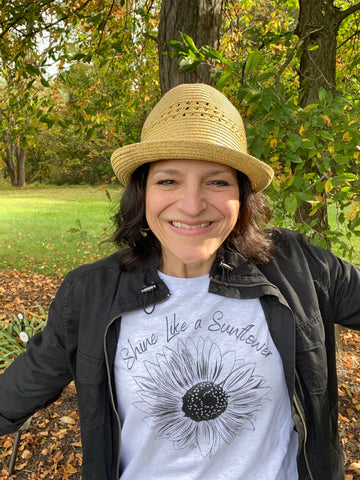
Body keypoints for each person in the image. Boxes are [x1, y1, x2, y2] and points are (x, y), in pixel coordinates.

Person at [0, 83, 359, 480]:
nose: (191, 205)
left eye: (217, 181)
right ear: (143, 193)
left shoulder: (297, 267)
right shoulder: (90, 294)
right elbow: (15, 394)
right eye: (168, 181)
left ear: (242, 195)